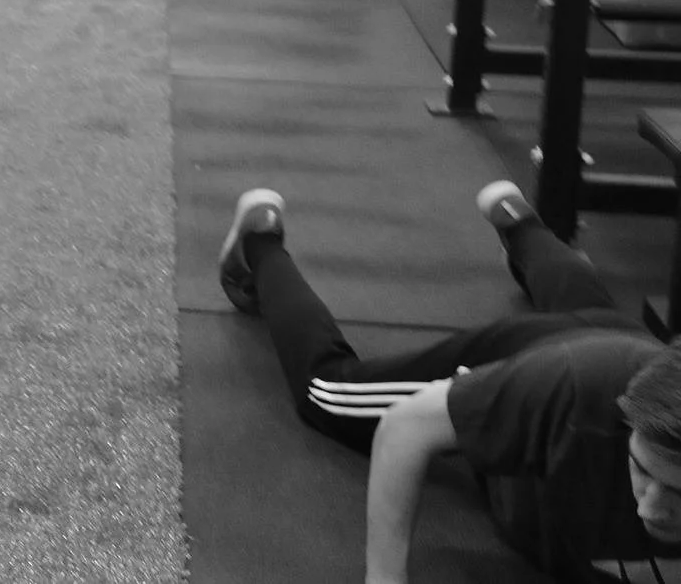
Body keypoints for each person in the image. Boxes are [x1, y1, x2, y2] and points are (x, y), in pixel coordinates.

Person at [217, 180, 681, 583]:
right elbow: (405, 429)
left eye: (679, 494)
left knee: (591, 314)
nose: (651, 509)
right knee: (328, 391)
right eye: (641, 470)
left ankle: (515, 219)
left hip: (611, 345)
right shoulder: (569, 390)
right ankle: (260, 246)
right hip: (535, 362)